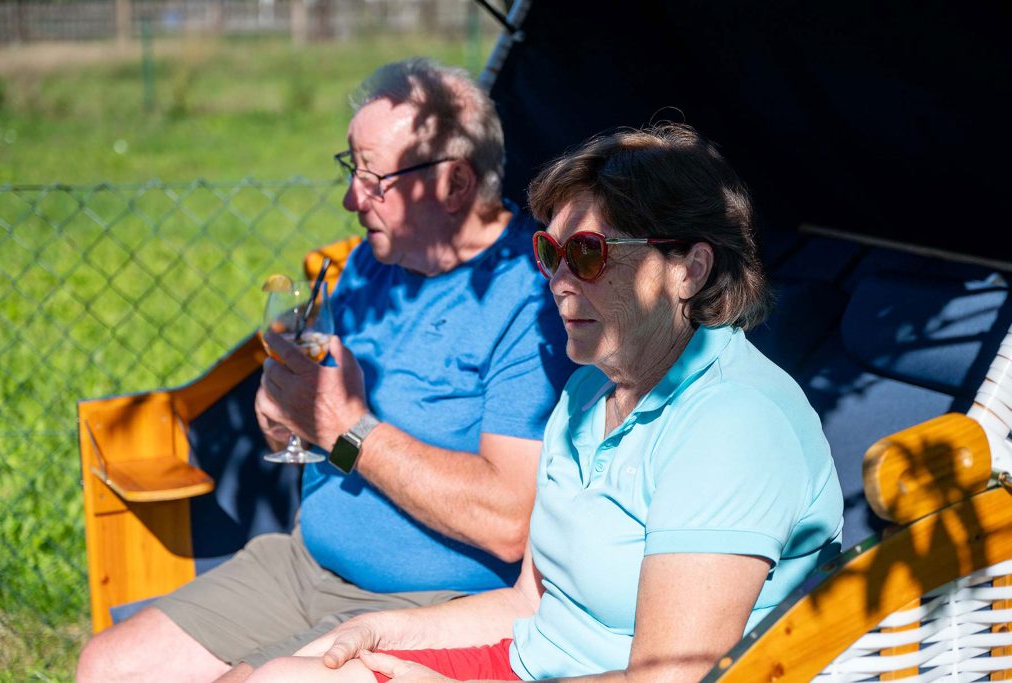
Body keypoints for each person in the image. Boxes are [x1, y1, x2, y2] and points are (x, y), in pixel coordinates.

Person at [244, 123, 845, 683]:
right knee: (287, 672)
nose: (559, 280)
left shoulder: (733, 426)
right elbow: (529, 604)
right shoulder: (588, 392)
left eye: (587, 253)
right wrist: (379, 627)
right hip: (529, 665)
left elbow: (670, 677)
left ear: (689, 268)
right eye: (550, 254)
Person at [76, 58, 576, 682]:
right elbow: (320, 404)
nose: (349, 199)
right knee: (109, 665)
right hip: (304, 564)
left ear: (453, 184)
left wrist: (348, 429)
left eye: (372, 178)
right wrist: (286, 409)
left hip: (437, 603)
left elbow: (508, 523)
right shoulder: (373, 263)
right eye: (351, 170)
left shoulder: (533, 301)